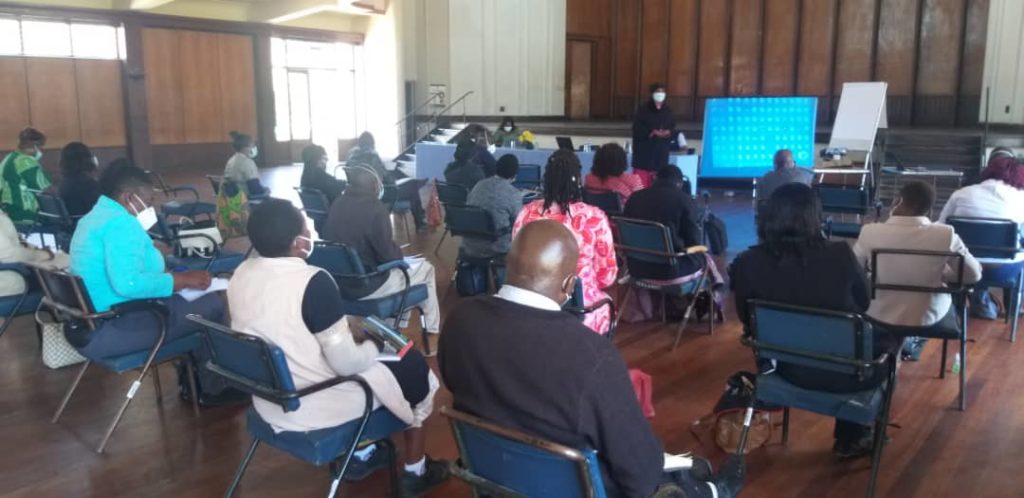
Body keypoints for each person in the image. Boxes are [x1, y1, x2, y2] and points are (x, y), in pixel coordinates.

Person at [440, 220, 744, 498]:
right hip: (576, 488)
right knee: (673, 481)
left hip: (494, 475)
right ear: (568, 285)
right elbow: (639, 477)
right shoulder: (590, 355)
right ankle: (713, 490)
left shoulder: (459, 321)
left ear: (509, 264)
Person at [228, 199, 448, 494]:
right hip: (311, 401)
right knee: (414, 366)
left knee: (391, 358)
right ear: (297, 243)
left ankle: (361, 454)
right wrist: (373, 344)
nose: (310, 233)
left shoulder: (241, 273)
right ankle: (415, 471)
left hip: (269, 397)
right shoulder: (312, 281)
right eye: (305, 228)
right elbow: (346, 365)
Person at [729, 183, 888, 459]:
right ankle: (852, 436)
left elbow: (747, 317)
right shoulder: (840, 254)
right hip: (850, 373)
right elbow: (863, 302)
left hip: (785, 368)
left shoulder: (747, 262)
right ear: (815, 217)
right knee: (886, 349)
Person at [68, 164, 228, 396]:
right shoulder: (121, 223)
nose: (150, 207)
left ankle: (195, 380)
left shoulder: (93, 219)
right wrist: (180, 280)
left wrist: (170, 276)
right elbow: (128, 284)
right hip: (114, 327)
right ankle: (213, 388)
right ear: (129, 198)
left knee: (193, 305)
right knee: (212, 306)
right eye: (149, 201)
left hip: (87, 324)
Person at [853, 181, 982, 360]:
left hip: (880, 312)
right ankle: (902, 347)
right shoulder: (946, 234)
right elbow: (973, 274)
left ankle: (890, 352)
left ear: (897, 200)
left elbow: (854, 269)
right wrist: (944, 274)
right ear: (928, 210)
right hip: (927, 315)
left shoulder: (870, 232)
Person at [322, 165, 441, 348]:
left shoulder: (338, 203)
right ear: (373, 184)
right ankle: (432, 335)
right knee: (426, 270)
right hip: (368, 285)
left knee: (406, 277)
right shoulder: (375, 208)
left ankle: (391, 331)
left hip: (340, 285)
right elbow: (389, 258)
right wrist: (399, 254)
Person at [513, 149, 617, 334]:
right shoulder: (594, 218)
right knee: (604, 304)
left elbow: (516, 260)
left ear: (546, 179)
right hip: (579, 310)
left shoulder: (526, 213)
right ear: (578, 180)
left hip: (530, 305)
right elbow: (606, 277)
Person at [938, 151, 1024, 319]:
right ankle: (1014, 308)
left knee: (970, 251)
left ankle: (971, 305)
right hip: (1004, 271)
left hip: (964, 269)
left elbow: (942, 228)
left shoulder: (961, 194)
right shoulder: (1020, 197)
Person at [624, 164, 722, 284]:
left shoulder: (634, 198)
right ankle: (715, 288)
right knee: (704, 258)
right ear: (680, 184)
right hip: (670, 271)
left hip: (636, 268)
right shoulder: (685, 201)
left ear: (656, 179)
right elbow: (694, 242)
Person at [348, 132, 427, 229]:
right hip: (379, 196)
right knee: (413, 186)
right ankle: (420, 222)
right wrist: (393, 179)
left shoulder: (351, 156)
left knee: (410, 186)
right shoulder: (373, 155)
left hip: (357, 195)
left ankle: (421, 220)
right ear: (372, 143)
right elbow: (386, 179)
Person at [462, 154, 523, 259]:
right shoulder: (513, 193)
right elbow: (519, 222)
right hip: (497, 247)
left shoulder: (479, 185)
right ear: (515, 174)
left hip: (469, 244)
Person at [0, 206, 68, 297]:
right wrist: (45, 255)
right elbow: (9, 254)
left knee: (65, 261)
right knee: (67, 263)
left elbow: (13, 243)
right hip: (11, 278)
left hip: (16, 269)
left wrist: (33, 248)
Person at [0, 127, 52, 224]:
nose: (41, 150)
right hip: (27, 213)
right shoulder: (26, 162)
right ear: (35, 146)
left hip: (8, 212)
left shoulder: (8, 158)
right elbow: (44, 187)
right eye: (41, 147)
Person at [632, 83, 676, 186]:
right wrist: (652, 132)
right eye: (657, 92)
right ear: (652, 94)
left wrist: (668, 132)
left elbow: (673, 128)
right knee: (641, 187)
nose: (660, 94)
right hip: (644, 156)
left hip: (661, 157)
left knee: (658, 186)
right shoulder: (643, 110)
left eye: (662, 92)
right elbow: (637, 129)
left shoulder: (668, 111)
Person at [58, 142, 101, 218]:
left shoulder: (64, 184)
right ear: (88, 160)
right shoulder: (88, 185)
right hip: (86, 222)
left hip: (73, 222)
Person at [223, 130, 268, 197]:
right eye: (252, 145)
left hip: (233, 197)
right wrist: (265, 191)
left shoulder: (231, 160)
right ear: (244, 147)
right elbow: (254, 188)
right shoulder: (247, 162)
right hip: (246, 198)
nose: (253, 147)